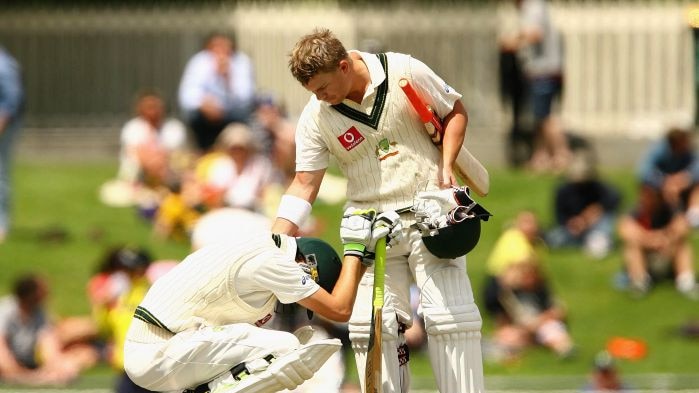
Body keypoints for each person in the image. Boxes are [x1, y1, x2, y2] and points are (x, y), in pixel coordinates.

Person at [271, 28, 488, 393]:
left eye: (323, 87)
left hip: (429, 211)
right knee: (371, 327)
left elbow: (455, 112)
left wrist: (447, 165)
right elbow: (305, 182)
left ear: (343, 66)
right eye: (313, 92)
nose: (320, 97)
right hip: (370, 225)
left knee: (450, 318)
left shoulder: (404, 70)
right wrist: (278, 233)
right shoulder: (317, 116)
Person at [123, 209, 402, 393]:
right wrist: (355, 249)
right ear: (307, 268)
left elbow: (301, 188)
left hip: (168, 350)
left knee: (279, 348)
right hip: (158, 349)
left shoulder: (268, 244)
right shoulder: (275, 263)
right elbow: (339, 310)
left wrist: (363, 259)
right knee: (288, 347)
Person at [0, 274, 98, 386]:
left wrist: (60, 367)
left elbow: (49, 346)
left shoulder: (40, 313)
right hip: (7, 363)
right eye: (43, 291)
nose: (47, 295)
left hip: (27, 362)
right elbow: (2, 353)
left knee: (81, 355)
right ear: (31, 294)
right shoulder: (5, 311)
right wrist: (27, 376)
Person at [508, 0, 571, 172]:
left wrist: (513, 40)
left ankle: (562, 154)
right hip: (546, 71)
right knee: (539, 116)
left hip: (543, 71)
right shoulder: (538, 6)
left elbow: (535, 34)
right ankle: (541, 157)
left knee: (545, 116)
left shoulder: (532, 7)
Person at [617, 183, 699, 299]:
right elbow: (625, 230)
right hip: (646, 257)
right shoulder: (636, 210)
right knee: (632, 246)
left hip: (667, 253)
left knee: (682, 244)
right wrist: (651, 240)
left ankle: (686, 282)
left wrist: (666, 238)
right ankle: (640, 282)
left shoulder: (670, 208)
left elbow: (683, 226)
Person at [178, 32, 256, 152]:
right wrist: (203, 104)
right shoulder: (199, 61)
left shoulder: (241, 62)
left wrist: (228, 79)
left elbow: (246, 98)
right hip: (204, 117)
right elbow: (187, 96)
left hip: (232, 115)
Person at [545, 151, 621, 259]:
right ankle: (586, 244)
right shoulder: (562, 191)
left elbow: (614, 198)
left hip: (594, 226)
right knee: (554, 238)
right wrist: (573, 223)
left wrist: (592, 214)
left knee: (606, 221)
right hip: (572, 229)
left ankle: (596, 243)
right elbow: (560, 217)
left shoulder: (597, 187)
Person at [637, 127, 699, 227]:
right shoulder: (658, 151)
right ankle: (657, 219)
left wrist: (685, 178)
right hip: (660, 188)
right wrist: (664, 181)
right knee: (650, 189)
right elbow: (643, 172)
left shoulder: (688, 152)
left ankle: (694, 216)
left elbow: (697, 167)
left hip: (683, 186)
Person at [0, 46, 23, 243]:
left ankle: (1, 224)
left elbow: (11, 100)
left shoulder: (3, 64)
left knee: (0, 175)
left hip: (3, 128)